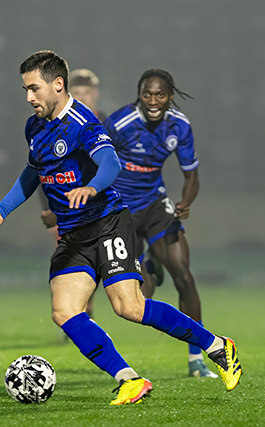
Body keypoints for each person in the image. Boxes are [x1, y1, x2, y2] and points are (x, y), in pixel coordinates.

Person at [0, 50, 241, 405]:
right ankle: (129, 379)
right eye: (25, 90)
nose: (29, 97)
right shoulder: (34, 126)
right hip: (73, 234)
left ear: (57, 84)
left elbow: (111, 163)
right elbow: (32, 171)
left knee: (129, 308)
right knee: (64, 311)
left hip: (107, 224)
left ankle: (217, 346)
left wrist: (91, 187)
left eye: (34, 89)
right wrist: (2, 210)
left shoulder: (83, 122)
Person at [104, 69, 216, 378]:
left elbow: (191, 175)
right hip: (121, 210)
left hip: (156, 205)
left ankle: (197, 359)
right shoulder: (119, 123)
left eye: (160, 95)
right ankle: (149, 268)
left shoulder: (179, 126)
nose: (153, 101)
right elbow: (94, 162)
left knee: (183, 274)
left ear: (170, 96)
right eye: (147, 94)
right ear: (139, 95)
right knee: (144, 295)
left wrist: (185, 203)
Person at [39, 68, 106, 320]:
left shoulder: (108, 125)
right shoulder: (55, 125)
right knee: (69, 262)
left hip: (100, 206)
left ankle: (79, 310)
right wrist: (48, 208)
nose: (82, 98)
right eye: (76, 93)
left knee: (97, 261)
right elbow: (41, 170)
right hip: (65, 208)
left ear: (95, 95)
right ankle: (73, 311)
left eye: (86, 93)